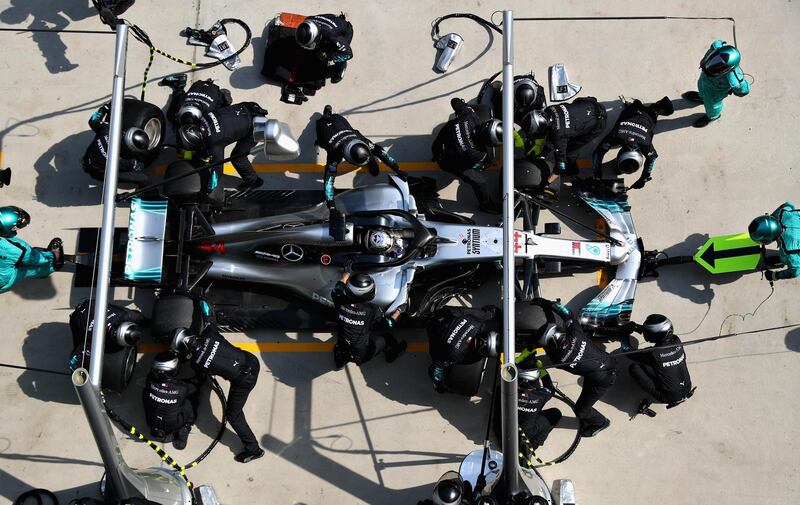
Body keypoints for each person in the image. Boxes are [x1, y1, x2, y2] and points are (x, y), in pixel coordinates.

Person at [170, 325, 264, 463]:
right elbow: (208, 316)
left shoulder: (196, 363)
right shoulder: (210, 334)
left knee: (233, 415)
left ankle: (254, 449)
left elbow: (197, 370)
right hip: (252, 360)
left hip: (244, 381)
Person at [525, 297, 616, 437]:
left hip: (601, 380)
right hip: (607, 363)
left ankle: (601, 423)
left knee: (580, 410)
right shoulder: (575, 333)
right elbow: (567, 313)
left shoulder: (559, 358)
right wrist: (547, 303)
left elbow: (546, 349)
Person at [316, 105, 408, 240]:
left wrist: (398, 170)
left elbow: (380, 152)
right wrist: (331, 206)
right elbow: (329, 180)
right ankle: (327, 114)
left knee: (371, 152)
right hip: (327, 130)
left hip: (340, 122)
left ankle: (328, 114)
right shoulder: (334, 153)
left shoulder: (363, 142)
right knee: (323, 132)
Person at [177, 102, 269, 192]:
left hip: (259, 126)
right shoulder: (202, 118)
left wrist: (210, 190)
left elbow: (217, 171)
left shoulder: (214, 143)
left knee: (238, 157)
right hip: (249, 107)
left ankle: (254, 181)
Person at [331, 262, 408, 369]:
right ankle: (392, 354)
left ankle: (339, 362)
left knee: (341, 349)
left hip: (342, 347)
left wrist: (347, 272)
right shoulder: (372, 310)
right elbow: (388, 324)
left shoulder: (339, 299)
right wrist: (400, 310)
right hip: (361, 355)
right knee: (387, 337)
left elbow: (339, 285)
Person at [432, 97, 503, 212]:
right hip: (446, 162)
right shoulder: (477, 154)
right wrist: (488, 162)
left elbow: (454, 101)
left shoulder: (468, 115)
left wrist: (461, 103)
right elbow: (478, 165)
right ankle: (485, 205)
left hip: (438, 145)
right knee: (480, 183)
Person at [520, 96, 607, 190]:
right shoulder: (549, 109)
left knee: (571, 150)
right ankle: (545, 153)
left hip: (598, 123)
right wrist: (544, 153)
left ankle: (572, 170)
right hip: (589, 104)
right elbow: (552, 132)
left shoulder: (559, 136)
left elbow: (561, 166)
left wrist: (547, 183)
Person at [591, 97, 674, 189]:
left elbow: (597, 153)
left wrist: (597, 175)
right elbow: (652, 159)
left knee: (650, 110)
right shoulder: (618, 137)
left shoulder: (620, 137)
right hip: (645, 115)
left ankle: (654, 105)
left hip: (635, 111)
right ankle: (655, 106)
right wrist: (643, 178)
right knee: (653, 112)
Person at [627, 314, 694, 417]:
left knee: (634, 368)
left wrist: (623, 336)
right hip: (687, 386)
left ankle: (657, 397)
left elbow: (628, 353)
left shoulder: (653, 353)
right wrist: (638, 328)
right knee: (659, 367)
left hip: (668, 396)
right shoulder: (676, 340)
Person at [494, 362, 561, 461]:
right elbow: (550, 387)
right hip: (526, 432)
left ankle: (522, 446)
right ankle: (531, 446)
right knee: (555, 414)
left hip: (502, 432)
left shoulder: (502, 390)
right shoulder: (541, 395)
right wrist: (542, 369)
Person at [426, 305, 499, 393]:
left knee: (486, 312)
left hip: (444, 314)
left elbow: (461, 311)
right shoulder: (457, 355)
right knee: (438, 363)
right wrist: (440, 385)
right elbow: (437, 366)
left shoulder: (477, 321)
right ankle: (439, 386)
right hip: (435, 333)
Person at [682, 40, 750, 128]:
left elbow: (743, 90)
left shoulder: (734, 77)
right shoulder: (717, 47)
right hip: (704, 80)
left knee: (713, 106)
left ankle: (713, 116)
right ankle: (702, 97)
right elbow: (716, 44)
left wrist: (737, 89)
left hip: (714, 93)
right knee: (700, 87)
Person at [82, 102, 151, 187]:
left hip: (92, 156)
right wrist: (136, 164)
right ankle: (142, 194)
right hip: (98, 171)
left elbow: (92, 120)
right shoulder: (118, 161)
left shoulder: (106, 128)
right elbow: (136, 167)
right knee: (143, 178)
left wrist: (105, 108)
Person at [142, 351, 200, 449]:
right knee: (192, 399)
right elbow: (194, 387)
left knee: (146, 394)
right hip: (174, 424)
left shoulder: (150, 382)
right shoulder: (182, 389)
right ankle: (185, 427)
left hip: (151, 422)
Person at [68, 298, 145, 370]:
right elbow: (75, 358)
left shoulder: (124, 314)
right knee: (79, 346)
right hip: (78, 317)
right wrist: (76, 369)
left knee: (135, 315)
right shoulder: (97, 339)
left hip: (93, 304)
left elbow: (138, 316)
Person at [0, 206, 62, 294]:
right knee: (30, 267)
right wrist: (51, 255)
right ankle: (51, 267)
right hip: (1, 283)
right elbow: (35, 260)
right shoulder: (16, 248)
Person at [295, 13, 354, 83]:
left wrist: (329, 55)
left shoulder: (332, 37)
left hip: (345, 32)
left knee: (337, 51)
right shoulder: (308, 20)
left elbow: (348, 54)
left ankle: (340, 68)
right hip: (332, 23)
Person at [749, 201, 799, 281]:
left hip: (793, 246)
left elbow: (795, 271)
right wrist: (772, 217)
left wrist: (775, 276)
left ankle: (783, 261)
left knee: (785, 257)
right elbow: (789, 204)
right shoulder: (783, 212)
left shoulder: (788, 250)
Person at [160, 74, 233, 127]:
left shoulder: (208, 112)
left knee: (222, 105)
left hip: (208, 88)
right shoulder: (180, 104)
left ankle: (223, 95)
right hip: (200, 86)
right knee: (170, 115)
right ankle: (179, 85)